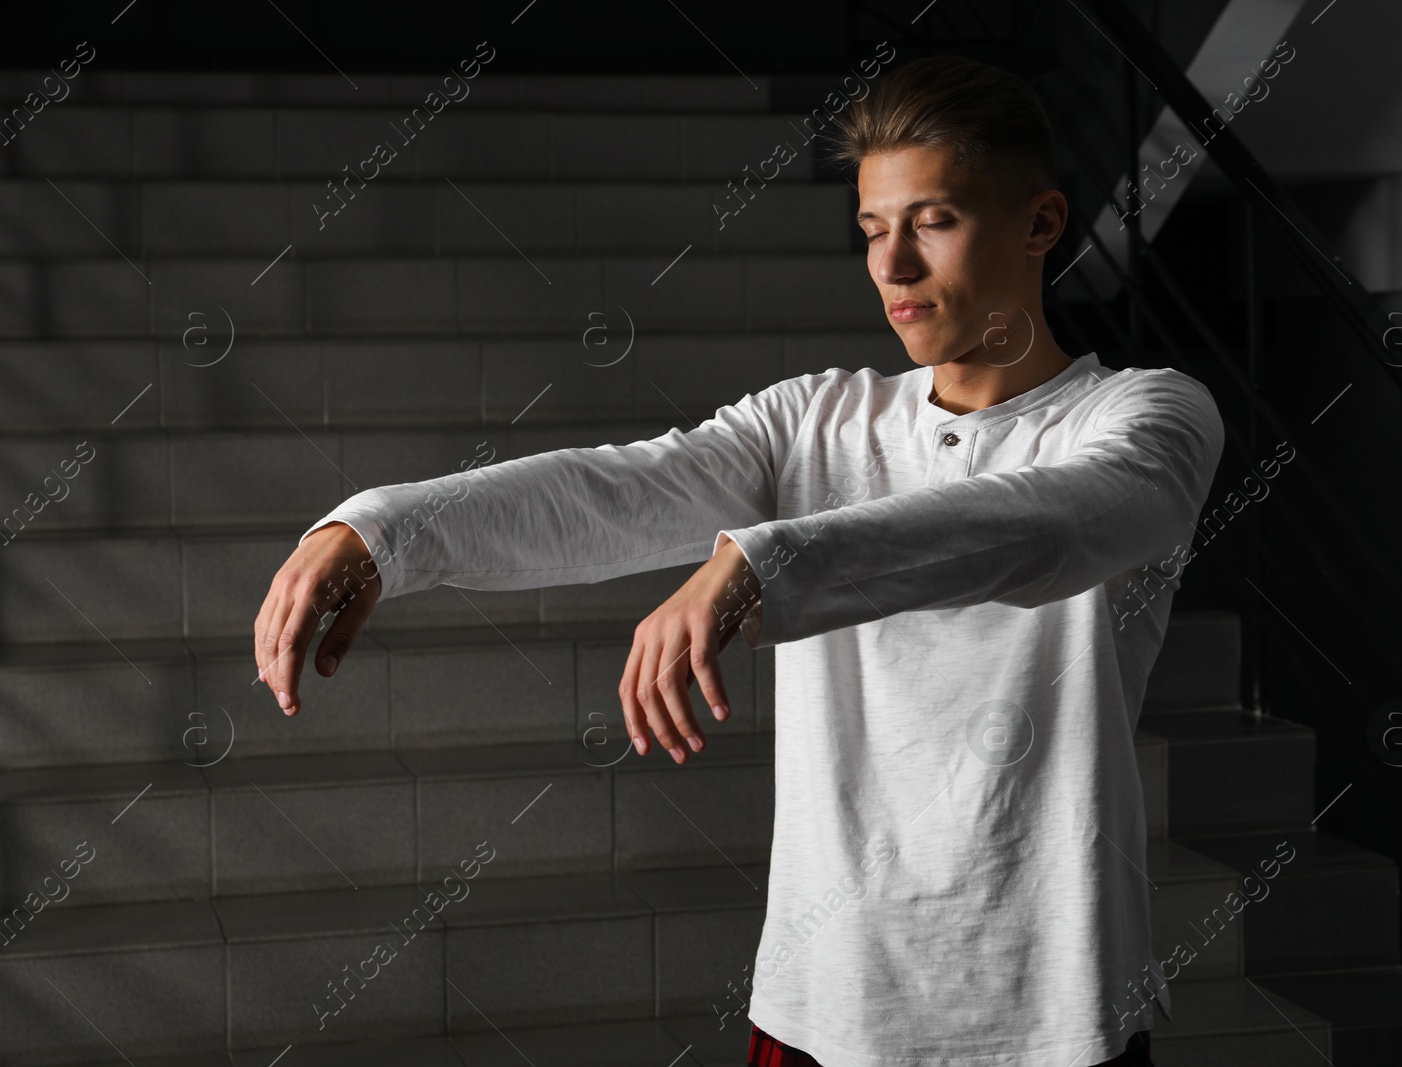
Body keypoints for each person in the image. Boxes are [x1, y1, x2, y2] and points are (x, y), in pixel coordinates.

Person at [254, 54, 1221, 1067]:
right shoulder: (814, 418)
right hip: (826, 1003)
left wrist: (759, 564)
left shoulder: (1148, 414)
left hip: (1049, 1011)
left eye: (931, 221)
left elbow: (1046, 527)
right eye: (870, 230)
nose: (890, 267)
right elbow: (614, 490)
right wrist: (378, 530)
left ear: (1039, 223)